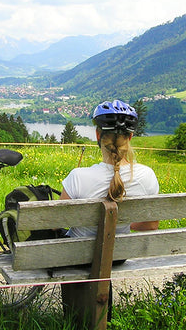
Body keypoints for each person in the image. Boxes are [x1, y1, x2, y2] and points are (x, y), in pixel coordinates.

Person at [60, 99, 159, 235]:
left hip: (78, 256)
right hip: (122, 255)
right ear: (130, 137)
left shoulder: (77, 177)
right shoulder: (147, 175)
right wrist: (121, 222)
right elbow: (152, 225)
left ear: (98, 135)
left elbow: (57, 222)